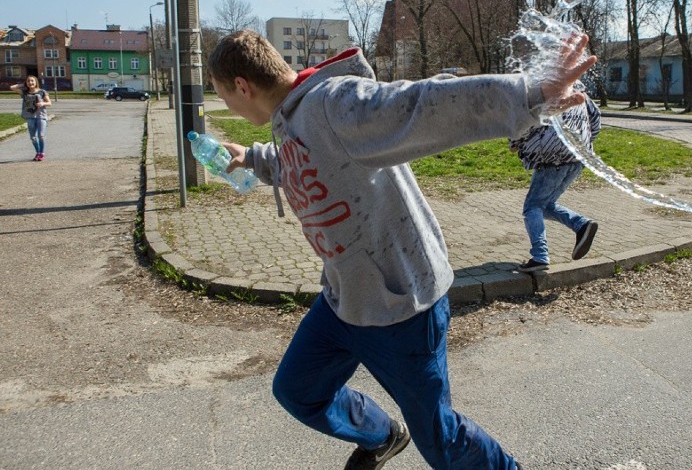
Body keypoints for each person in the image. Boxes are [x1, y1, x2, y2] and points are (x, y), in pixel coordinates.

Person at [206, 29, 596, 470]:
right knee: (298, 389)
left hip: (403, 305)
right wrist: (252, 158)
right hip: (345, 301)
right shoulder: (291, 118)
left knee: (442, 441)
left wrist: (529, 95)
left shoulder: (333, 104)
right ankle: (383, 436)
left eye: (222, 95)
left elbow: (420, 106)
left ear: (242, 86)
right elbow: (301, 162)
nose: (226, 106)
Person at [510, 94, 601, 272]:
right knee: (544, 205)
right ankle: (582, 225)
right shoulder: (581, 93)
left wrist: (515, 142)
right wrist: (583, 142)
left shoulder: (545, 91)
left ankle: (540, 256)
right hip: (578, 156)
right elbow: (596, 118)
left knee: (532, 207)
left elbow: (530, 120)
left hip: (553, 157)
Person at [11, 75, 51, 161]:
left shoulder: (42, 92)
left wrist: (43, 103)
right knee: (33, 137)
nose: (30, 83)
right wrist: (23, 84)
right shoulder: (25, 92)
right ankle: (37, 152)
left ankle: (42, 153)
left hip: (41, 116)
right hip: (30, 116)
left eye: (32, 81)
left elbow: (49, 102)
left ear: (36, 82)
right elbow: (12, 87)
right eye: (28, 81)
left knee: (41, 135)